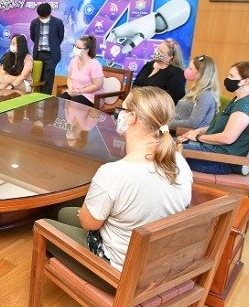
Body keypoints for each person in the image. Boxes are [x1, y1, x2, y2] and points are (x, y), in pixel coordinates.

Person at [46, 87, 191, 280]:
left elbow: (88, 223)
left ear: (132, 117)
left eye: (123, 108)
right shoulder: (179, 161)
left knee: (44, 225)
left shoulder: (114, 172)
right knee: (64, 213)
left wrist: (93, 212)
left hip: (118, 271)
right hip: (156, 261)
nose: (119, 114)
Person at [178, 61, 249, 174]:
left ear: (245, 81)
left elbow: (227, 138)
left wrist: (198, 137)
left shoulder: (247, 105)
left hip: (220, 160)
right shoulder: (239, 99)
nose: (227, 79)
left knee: (163, 150)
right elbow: (220, 127)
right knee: (164, 145)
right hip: (211, 151)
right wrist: (197, 132)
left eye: (232, 76)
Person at [170, 54, 220, 130]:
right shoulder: (194, 90)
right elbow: (179, 113)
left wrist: (167, 124)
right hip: (175, 129)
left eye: (190, 68)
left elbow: (192, 123)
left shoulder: (205, 96)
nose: (186, 70)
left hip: (186, 135)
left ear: (201, 74)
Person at [132, 39, 186, 104]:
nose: (156, 52)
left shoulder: (177, 73)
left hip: (154, 107)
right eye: (158, 49)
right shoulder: (149, 65)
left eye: (161, 51)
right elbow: (135, 84)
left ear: (170, 57)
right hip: (136, 102)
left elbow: (171, 98)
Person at [58, 35, 103, 106]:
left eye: (78, 48)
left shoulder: (94, 64)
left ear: (87, 50)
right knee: (59, 100)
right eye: (75, 46)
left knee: (74, 102)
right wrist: (70, 88)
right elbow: (69, 78)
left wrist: (80, 91)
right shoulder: (73, 61)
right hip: (75, 92)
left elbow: (97, 85)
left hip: (91, 96)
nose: (75, 49)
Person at [30, 2, 65, 95]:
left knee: (48, 81)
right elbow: (33, 37)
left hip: (51, 55)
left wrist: (53, 46)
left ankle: (45, 100)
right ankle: (36, 98)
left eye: (45, 16)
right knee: (38, 78)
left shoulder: (57, 22)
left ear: (49, 13)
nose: (43, 18)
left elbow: (60, 37)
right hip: (38, 54)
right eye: (41, 17)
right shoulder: (34, 22)